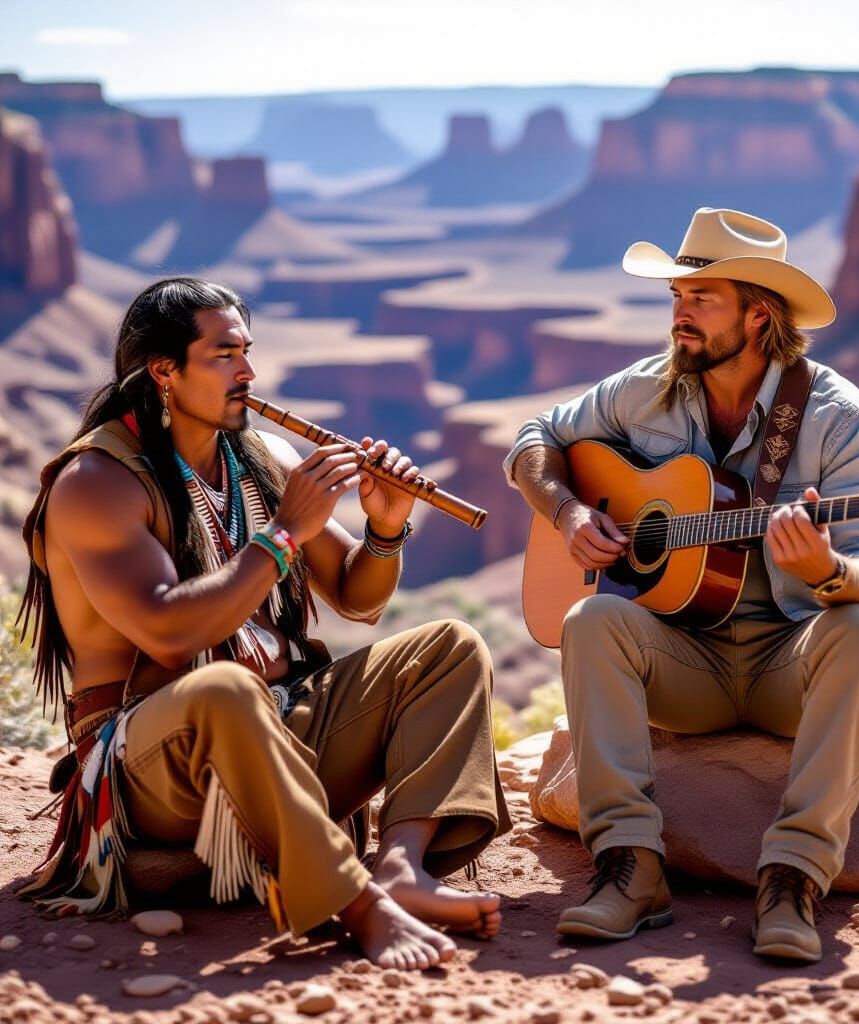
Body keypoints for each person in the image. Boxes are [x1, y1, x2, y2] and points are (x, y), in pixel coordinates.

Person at [19, 277, 511, 971]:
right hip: (157, 769)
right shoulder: (95, 484)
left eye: (248, 351)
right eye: (225, 355)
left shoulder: (260, 460)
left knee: (449, 648)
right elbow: (166, 632)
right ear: (164, 371)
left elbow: (357, 598)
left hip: (279, 727)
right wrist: (282, 536)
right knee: (224, 688)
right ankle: (356, 905)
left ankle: (403, 869)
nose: (249, 373)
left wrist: (386, 526)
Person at [503, 208, 859, 963]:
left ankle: (791, 879)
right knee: (592, 619)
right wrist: (568, 509)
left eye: (701, 298)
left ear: (759, 315)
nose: (679, 314)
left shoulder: (838, 417)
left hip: (789, 662)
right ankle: (630, 868)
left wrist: (829, 571)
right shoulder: (649, 386)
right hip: (685, 664)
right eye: (676, 297)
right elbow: (538, 438)